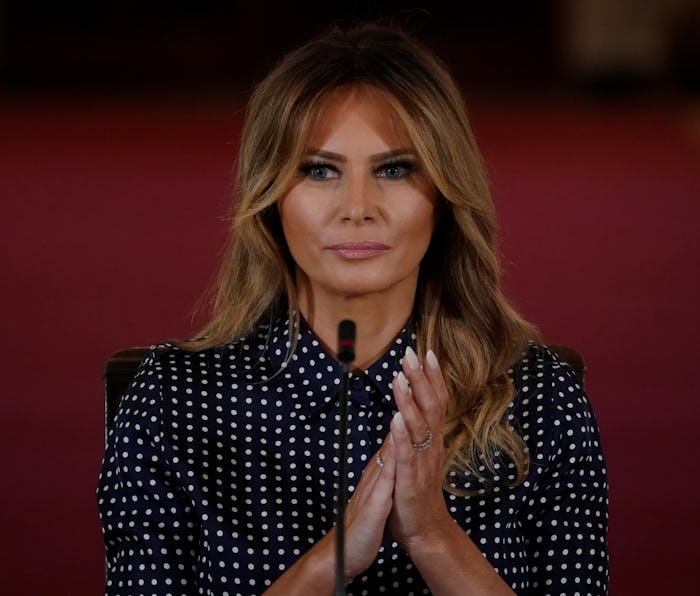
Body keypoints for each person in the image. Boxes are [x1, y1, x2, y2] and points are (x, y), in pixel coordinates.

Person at [97, 20, 609, 595]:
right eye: (320, 170)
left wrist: (435, 537)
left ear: (444, 198)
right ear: (269, 198)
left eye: (394, 169)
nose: (357, 208)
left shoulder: (539, 396)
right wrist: (329, 561)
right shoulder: (173, 400)